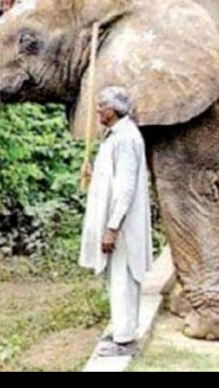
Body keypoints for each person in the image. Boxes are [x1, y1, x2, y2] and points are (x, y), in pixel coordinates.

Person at [78, 86, 152, 357]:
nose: (97, 111)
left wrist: (112, 227)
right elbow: (112, 177)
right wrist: (93, 170)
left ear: (111, 110)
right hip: (117, 223)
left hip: (121, 226)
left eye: (100, 106)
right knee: (116, 277)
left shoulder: (126, 139)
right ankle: (122, 330)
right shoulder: (117, 137)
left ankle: (124, 340)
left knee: (123, 277)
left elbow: (125, 188)